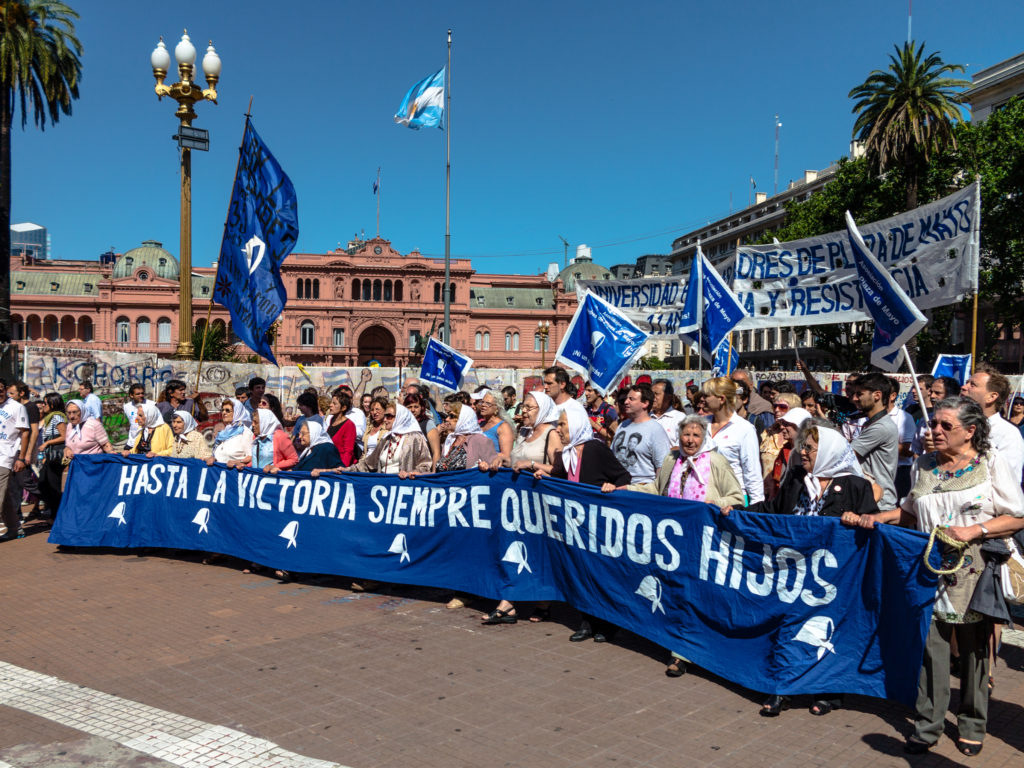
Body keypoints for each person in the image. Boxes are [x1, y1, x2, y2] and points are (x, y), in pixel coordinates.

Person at [853, 397, 1024, 757]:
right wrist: (872, 519)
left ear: (971, 431)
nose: (935, 430)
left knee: (976, 650)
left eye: (946, 425)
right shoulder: (923, 465)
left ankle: (973, 723)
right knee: (932, 649)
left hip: (976, 567)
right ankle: (928, 723)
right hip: (929, 567)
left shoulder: (990, 463)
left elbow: (1017, 516)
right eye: (934, 424)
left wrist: (973, 530)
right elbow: (909, 512)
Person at [739, 423, 880, 717]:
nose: (802, 452)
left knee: (828, 633)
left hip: (835, 576)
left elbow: (873, 525)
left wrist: (859, 519)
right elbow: (774, 510)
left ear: (828, 451)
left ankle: (828, 690)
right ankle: (782, 689)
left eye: (810, 448)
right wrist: (737, 511)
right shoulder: (796, 479)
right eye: (803, 446)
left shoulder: (856, 486)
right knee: (789, 626)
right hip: (794, 570)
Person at [651, 414, 744, 676]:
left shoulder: (715, 461)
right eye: (686, 434)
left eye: (696, 435)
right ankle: (678, 645)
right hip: (672, 541)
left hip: (703, 541)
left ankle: (683, 653)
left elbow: (737, 495)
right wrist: (623, 489)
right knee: (676, 592)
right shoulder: (672, 459)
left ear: (704, 438)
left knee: (694, 594)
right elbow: (657, 489)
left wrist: (717, 503)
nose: (690, 440)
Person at [538, 401, 631, 642]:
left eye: (562, 424)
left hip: (598, 524)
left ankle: (607, 624)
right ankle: (587, 622)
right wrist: (538, 471)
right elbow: (559, 476)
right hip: (575, 524)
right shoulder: (568, 453)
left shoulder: (594, 449)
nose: (558, 429)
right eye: (558, 424)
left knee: (600, 573)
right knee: (581, 572)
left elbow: (623, 475)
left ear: (578, 424)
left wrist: (612, 486)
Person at [320, 403, 432, 475]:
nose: (385, 419)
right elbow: (368, 464)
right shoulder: (386, 439)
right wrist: (346, 470)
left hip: (403, 488)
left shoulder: (415, 438)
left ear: (399, 417)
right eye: (385, 416)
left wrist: (411, 473)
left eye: (389, 416)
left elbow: (425, 464)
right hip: (383, 485)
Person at [702, 377, 764, 504]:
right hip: (704, 497)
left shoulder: (745, 429)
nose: (702, 399)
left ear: (721, 399)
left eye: (707, 395)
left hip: (734, 499)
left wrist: (756, 507)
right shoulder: (701, 424)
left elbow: (752, 472)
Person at [962, 363, 1024, 483]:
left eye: (972, 385)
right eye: (966, 382)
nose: (964, 387)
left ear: (991, 397)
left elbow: (1008, 483)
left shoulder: (1008, 434)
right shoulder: (953, 426)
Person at [609, 383, 672, 491]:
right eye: (626, 398)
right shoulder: (622, 426)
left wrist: (658, 494)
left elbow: (662, 467)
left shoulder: (655, 430)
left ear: (645, 403)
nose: (626, 402)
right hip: (617, 488)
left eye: (631, 399)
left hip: (640, 490)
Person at [851, 372, 899, 512]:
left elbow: (847, 455)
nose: (854, 399)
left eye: (859, 394)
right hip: (871, 500)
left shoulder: (881, 427)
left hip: (879, 505)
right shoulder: (874, 423)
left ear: (877, 395)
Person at [761, 401, 812, 501]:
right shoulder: (785, 450)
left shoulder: (810, 452)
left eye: (786, 424)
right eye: (782, 423)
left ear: (800, 426)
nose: (782, 427)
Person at [0, 379, 31, 541]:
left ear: (5, 389)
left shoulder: (17, 407)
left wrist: (22, 457)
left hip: (5, 457)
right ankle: (13, 528)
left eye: (0, 389)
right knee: (3, 497)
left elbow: (25, 432)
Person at [429, 403, 496, 473]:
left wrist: (486, 466)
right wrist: (420, 475)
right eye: (448, 415)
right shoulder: (450, 440)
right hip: (444, 483)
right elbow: (436, 473)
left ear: (463, 418)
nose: (447, 419)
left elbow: (495, 468)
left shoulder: (480, 440)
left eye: (452, 416)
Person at [37, 393, 67, 519]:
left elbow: (64, 436)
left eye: (45, 403)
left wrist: (48, 442)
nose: (43, 406)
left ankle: (57, 515)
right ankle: (56, 511)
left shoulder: (57, 417)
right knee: (43, 483)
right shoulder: (49, 417)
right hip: (49, 455)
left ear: (52, 404)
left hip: (55, 456)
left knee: (52, 485)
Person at [272, 421, 342, 473]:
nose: (299, 437)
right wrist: (282, 472)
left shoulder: (327, 448)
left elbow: (340, 469)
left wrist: (322, 471)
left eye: (303, 433)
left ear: (313, 433)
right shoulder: (308, 450)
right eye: (300, 433)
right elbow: (299, 469)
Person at [208, 398, 253, 464]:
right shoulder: (223, 433)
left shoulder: (245, 432)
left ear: (237, 412)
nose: (224, 413)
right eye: (222, 410)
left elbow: (251, 457)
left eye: (227, 410)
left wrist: (237, 462)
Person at [474, 390, 514, 464]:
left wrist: (483, 455)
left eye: (488, 403)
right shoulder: (480, 424)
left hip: (492, 470)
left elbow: (506, 456)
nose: (483, 405)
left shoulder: (503, 427)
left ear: (497, 407)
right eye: (482, 402)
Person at [325, 390, 357, 466]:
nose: (330, 405)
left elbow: (348, 451)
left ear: (343, 408)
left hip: (340, 466)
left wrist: (342, 468)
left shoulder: (349, 425)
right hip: (330, 463)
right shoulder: (331, 419)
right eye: (331, 402)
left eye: (334, 403)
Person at [651, 379, 685, 448]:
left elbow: (680, 447)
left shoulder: (680, 418)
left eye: (656, 394)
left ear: (668, 397)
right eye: (651, 394)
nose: (653, 397)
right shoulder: (646, 417)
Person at [123, 383, 155, 448]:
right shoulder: (127, 407)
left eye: (142, 393)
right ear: (131, 395)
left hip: (145, 443)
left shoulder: (152, 405)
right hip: (131, 442)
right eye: (138, 394)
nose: (141, 395)